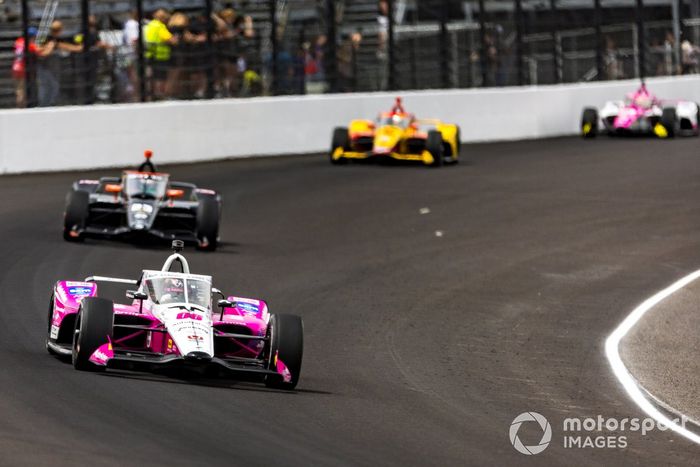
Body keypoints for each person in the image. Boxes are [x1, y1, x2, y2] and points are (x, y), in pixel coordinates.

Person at [144, 9, 178, 99]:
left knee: (152, 77)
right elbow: (171, 40)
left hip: (150, 54)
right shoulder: (160, 26)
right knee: (160, 78)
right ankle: (160, 96)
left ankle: (152, 95)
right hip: (160, 55)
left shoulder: (150, 25)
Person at [12, 27, 38, 107]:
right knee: (24, 89)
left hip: (15, 66)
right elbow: (38, 51)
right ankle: (21, 106)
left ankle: (20, 105)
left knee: (19, 89)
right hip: (23, 68)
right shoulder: (29, 45)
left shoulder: (18, 41)